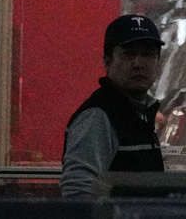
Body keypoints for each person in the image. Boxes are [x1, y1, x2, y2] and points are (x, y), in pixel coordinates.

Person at [60, 14, 166, 198]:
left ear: (158, 61)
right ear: (107, 62)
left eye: (147, 54)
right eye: (128, 54)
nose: (138, 64)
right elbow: (78, 194)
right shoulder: (98, 116)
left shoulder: (139, 113)